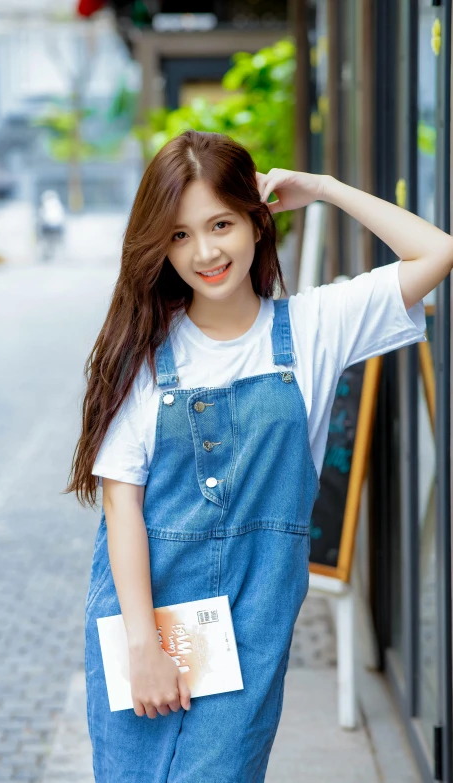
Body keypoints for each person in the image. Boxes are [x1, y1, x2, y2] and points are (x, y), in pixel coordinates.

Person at [65, 129, 453, 782]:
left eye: (221, 223)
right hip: (144, 615)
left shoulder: (313, 328)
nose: (206, 251)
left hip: (251, 622)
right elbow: (122, 502)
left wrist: (324, 189)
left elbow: (437, 251)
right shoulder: (146, 351)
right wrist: (144, 645)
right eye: (181, 234)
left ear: (255, 219)